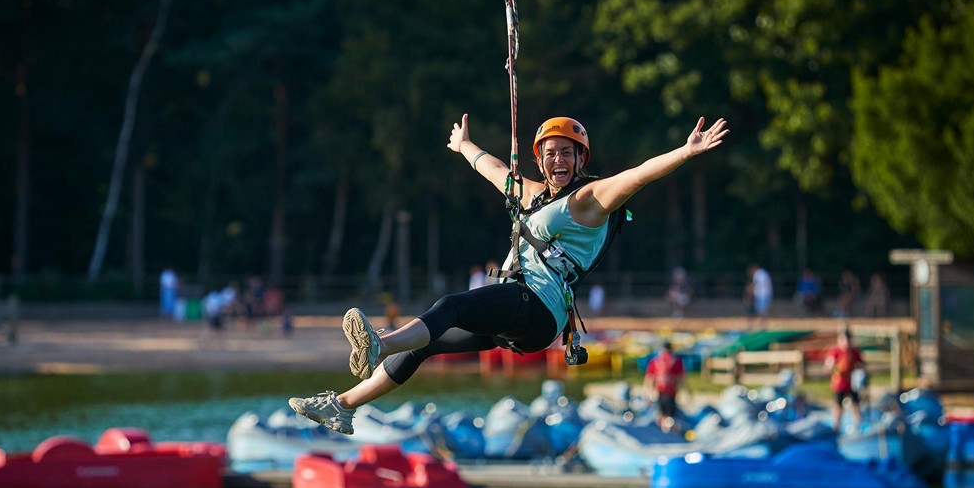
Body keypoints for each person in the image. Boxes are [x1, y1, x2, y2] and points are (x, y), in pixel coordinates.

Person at [288, 112, 730, 434]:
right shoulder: (533, 194)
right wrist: (464, 145)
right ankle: (343, 405)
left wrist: (686, 151)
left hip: (537, 306)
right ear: (541, 161)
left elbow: (638, 176)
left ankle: (379, 344)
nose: (558, 160)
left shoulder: (589, 200)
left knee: (451, 305)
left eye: (567, 153)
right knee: (425, 345)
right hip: (521, 313)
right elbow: (494, 169)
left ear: (581, 159)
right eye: (551, 154)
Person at [824, 328, 865, 434]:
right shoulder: (835, 352)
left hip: (852, 383)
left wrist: (858, 370)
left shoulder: (854, 352)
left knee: (856, 404)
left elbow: (861, 365)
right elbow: (828, 365)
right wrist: (831, 366)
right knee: (838, 406)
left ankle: (859, 426)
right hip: (840, 384)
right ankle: (836, 427)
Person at [644, 341, 686, 433]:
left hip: (659, 390)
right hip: (671, 391)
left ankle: (662, 432)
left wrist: (648, 392)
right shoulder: (675, 361)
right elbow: (681, 378)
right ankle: (668, 432)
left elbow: (649, 378)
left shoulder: (656, 360)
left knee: (661, 413)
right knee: (670, 414)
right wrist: (685, 391)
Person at [747, 264, 772, 329]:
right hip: (767, 293)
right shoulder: (764, 273)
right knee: (763, 310)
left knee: (760, 310)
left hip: (761, 294)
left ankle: (762, 324)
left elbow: (754, 285)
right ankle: (763, 324)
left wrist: (749, 292)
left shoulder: (757, 274)